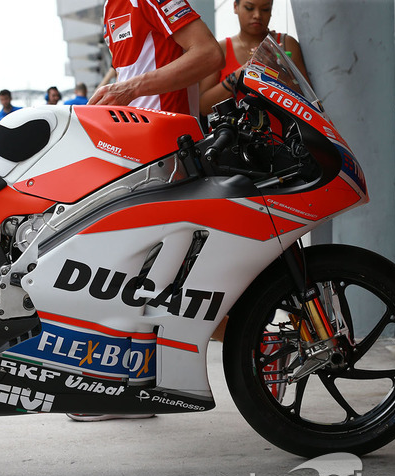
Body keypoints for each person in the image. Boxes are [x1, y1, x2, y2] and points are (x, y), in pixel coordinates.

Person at [68, 0, 223, 423]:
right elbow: (131, 76)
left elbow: (209, 54)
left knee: (123, 269)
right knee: (134, 274)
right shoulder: (110, 8)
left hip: (168, 153)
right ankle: (131, 388)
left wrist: (129, 90)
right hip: (133, 157)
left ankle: (117, 390)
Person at [89, 0, 224, 114]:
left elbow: (210, 54)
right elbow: (126, 73)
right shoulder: (108, 6)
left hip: (171, 136)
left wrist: (130, 89)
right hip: (130, 135)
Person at [199, 0, 310, 115]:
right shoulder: (221, 49)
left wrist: (278, 71)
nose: (257, 15)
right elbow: (203, 106)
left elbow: (309, 102)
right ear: (235, 7)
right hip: (232, 131)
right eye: (249, 8)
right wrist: (237, 75)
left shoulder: (286, 44)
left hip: (277, 132)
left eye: (265, 9)